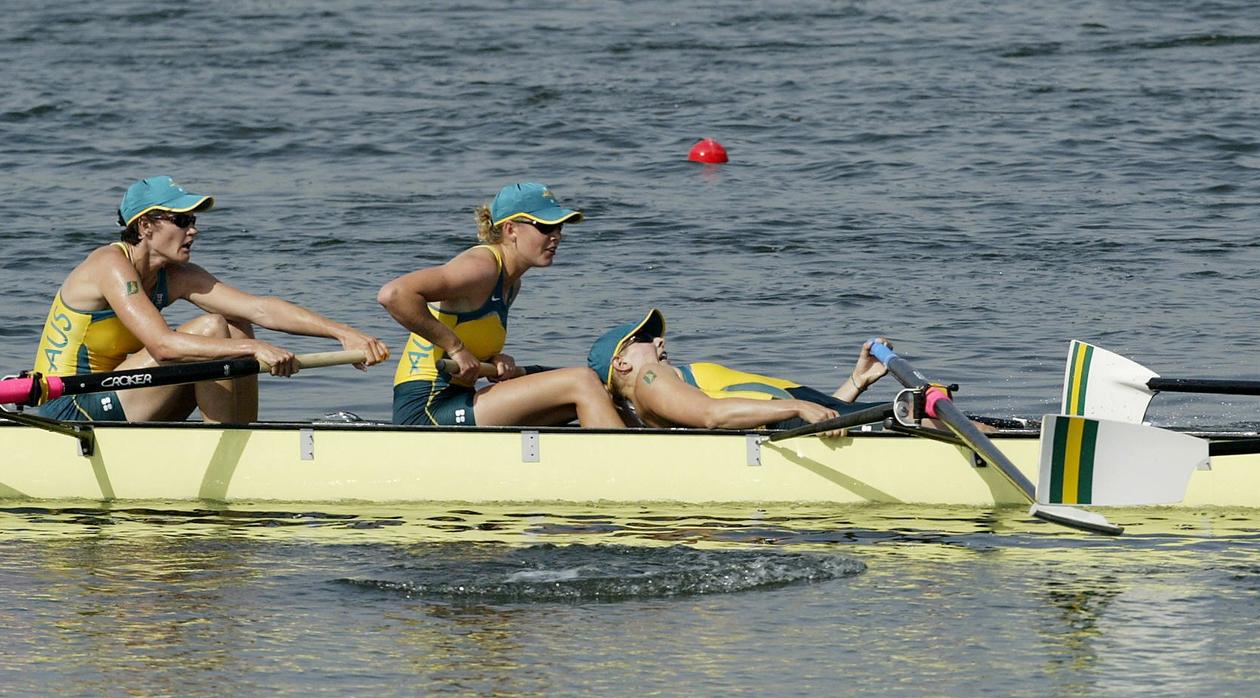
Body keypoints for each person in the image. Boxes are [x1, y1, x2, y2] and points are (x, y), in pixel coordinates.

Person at [29, 175, 389, 423]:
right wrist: (255, 350)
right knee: (211, 327)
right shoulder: (109, 264)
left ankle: (241, 438)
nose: (193, 229)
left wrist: (343, 333)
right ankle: (225, 446)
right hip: (70, 409)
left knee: (236, 325)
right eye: (181, 220)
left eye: (193, 220)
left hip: (123, 397)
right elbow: (164, 346)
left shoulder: (176, 275)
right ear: (145, 226)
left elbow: (262, 308)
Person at [379, 182, 624, 428]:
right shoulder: (481, 266)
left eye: (558, 227)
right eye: (545, 226)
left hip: (460, 399)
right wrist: (455, 348)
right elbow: (395, 294)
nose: (556, 236)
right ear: (510, 229)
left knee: (600, 388)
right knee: (581, 381)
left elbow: (467, 334)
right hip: (426, 409)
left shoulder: (511, 284)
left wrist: (494, 358)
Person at [586, 308, 890, 432]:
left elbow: (820, 414)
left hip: (812, 418)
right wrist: (797, 406)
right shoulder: (650, 379)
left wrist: (856, 380)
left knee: (929, 400)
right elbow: (712, 415)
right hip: (793, 426)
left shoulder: (670, 382)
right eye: (644, 339)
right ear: (621, 364)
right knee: (925, 411)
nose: (659, 340)